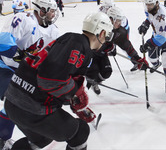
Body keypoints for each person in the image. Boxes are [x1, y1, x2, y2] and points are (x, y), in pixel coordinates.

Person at [4, 12, 113, 150]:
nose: (106, 40)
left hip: (13, 102)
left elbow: (55, 76)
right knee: (80, 132)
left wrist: (74, 101)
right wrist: (76, 94)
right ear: (102, 33)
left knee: (41, 139)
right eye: (107, 36)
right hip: (32, 107)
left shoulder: (69, 40)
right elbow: (49, 80)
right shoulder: (78, 43)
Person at [0, 0, 60, 149]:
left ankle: (2, 136)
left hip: (22, 72)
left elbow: (55, 54)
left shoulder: (53, 30)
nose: (54, 14)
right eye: (51, 11)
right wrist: (17, 54)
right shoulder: (23, 19)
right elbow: (3, 42)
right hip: (4, 65)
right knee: (15, 100)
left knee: (17, 103)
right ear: (41, 11)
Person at [86, 6, 148, 95]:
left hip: (102, 54)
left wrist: (137, 59)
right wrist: (108, 47)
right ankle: (81, 90)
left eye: (120, 20)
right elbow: (90, 42)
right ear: (111, 19)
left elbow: (127, 46)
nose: (120, 23)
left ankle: (94, 82)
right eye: (118, 20)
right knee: (93, 71)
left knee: (106, 72)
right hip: (90, 54)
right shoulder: (98, 26)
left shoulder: (120, 32)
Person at [138, 0, 166, 95]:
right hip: (158, 35)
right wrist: (145, 24)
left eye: (150, 4)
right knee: (152, 58)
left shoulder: (162, 16)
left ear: (157, 3)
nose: (148, 6)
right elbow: (149, 17)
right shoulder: (150, 8)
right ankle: (156, 64)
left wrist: (147, 45)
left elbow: (162, 38)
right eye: (146, 4)